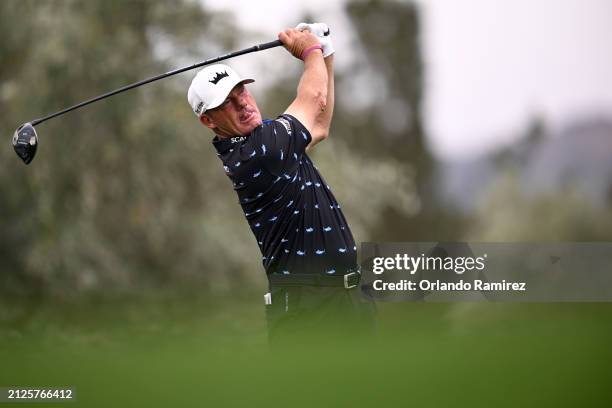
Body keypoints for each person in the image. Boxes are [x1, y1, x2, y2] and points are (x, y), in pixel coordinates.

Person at [187, 24, 375, 343]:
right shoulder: (258, 152)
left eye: (241, 91)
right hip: (309, 311)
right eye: (228, 103)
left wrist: (324, 53)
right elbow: (313, 97)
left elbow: (319, 124)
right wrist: (309, 51)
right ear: (209, 121)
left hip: (344, 300)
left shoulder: (266, 142)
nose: (243, 103)